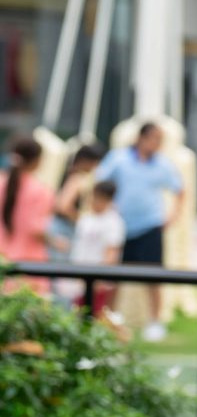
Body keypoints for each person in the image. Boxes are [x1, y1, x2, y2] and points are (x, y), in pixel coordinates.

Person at [96, 122, 183, 340]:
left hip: (149, 227)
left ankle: (155, 321)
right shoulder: (119, 159)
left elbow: (180, 190)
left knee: (153, 277)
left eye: (160, 140)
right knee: (112, 277)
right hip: (120, 227)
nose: (156, 144)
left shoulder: (162, 164)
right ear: (141, 138)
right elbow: (101, 182)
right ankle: (109, 319)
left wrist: (173, 216)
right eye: (153, 138)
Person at [54, 179, 124, 320]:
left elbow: (111, 254)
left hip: (97, 281)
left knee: (93, 318)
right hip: (78, 277)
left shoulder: (113, 222)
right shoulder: (87, 217)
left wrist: (98, 278)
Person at [1, 136, 54, 293]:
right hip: (29, 267)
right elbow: (35, 229)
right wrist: (55, 241)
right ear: (37, 161)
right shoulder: (41, 191)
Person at [47, 141, 105, 261]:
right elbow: (62, 206)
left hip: (58, 228)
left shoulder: (68, 172)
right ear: (85, 160)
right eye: (94, 163)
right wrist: (81, 219)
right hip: (63, 230)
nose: (95, 167)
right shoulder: (77, 178)